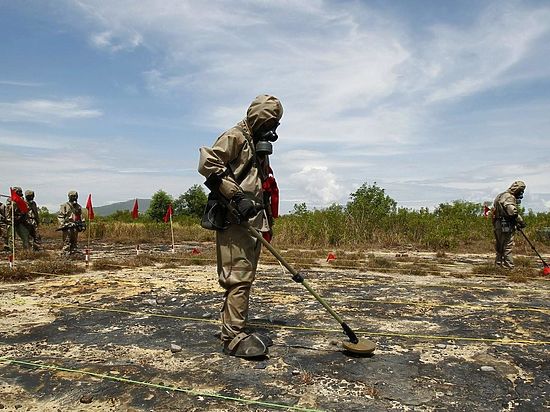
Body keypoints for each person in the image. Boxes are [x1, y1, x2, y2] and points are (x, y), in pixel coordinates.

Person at [198, 94, 283, 358]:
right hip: (235, 219)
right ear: (259, 118)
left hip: (253, 221)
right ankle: (233, 338)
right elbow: (207, 163)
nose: (274, 131)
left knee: (245, 277)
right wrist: (236, 196)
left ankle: (232, 323)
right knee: (239, 278)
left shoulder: (256, 143)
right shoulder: (235, 136)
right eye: (271, 123)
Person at [492, 181, 526, 269]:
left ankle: (498, 266)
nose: (521, 193)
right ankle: (509, 267)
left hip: (498, 224)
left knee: (500, 246)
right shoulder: (509, 197)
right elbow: (512, 212)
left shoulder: (500, 195)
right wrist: (521, 222)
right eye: (520, 191)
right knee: (507, 246)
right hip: (506, 225)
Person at [58, 191, 86, 256]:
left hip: (75, 226)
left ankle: (74, 251)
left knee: (74, 240)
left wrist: (83, 223)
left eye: (76, 196)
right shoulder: (65, 206)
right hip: (68, 226)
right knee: (67, 241)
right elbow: (60, 216)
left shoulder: (78, 206)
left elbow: (81, 216)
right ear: (69, 197)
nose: (74, 198)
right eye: (73, 196)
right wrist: (63, 224)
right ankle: (65, 253)